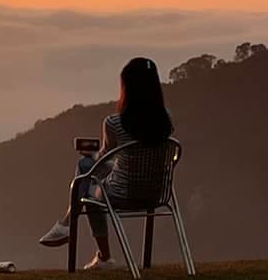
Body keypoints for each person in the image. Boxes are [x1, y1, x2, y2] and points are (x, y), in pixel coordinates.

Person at [38, 56, 175, 269]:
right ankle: (66, 225)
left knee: (86, 177)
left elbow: (103, 158)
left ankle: (95, 248)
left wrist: (91, 156)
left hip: (123, 192)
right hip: (157, 192)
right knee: (90, 176)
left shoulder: (115, 122)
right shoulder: (166, 119)